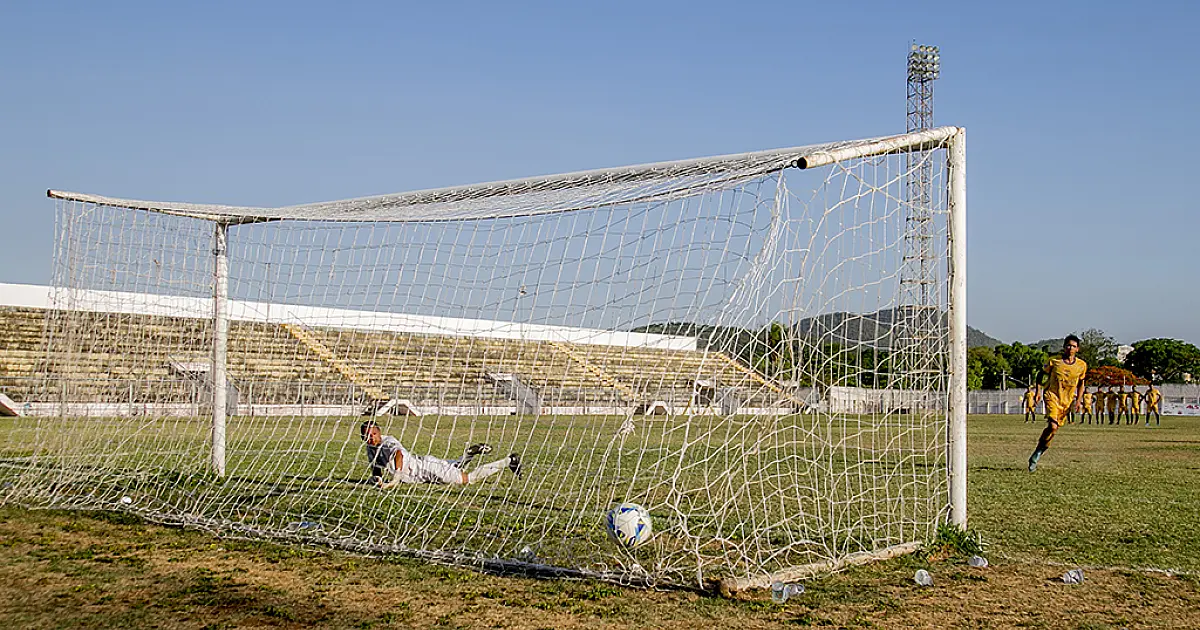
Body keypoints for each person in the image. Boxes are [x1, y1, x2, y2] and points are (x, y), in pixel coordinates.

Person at [360, 420, 522, 488]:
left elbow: (398, 454)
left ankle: (509, 461)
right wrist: (377, 479)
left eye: (373, 434)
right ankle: (468, 454)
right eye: (367, 435)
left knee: (468, 479)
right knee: (456, 467)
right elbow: (376, 468)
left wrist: (396, 478)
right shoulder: (370, 448)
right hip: (424, 468)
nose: (370, 438)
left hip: (425, 469)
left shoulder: (388, 442)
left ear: (379, 432)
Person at [1028, 335, 1088, 472]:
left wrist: (1079, 401)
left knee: (1053, 431)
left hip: (1066, 401)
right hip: (1052, 396)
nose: (1070, 348)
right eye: (1068, 345)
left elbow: (1081, 383)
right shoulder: (1054, 361)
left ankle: (1037, 453)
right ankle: (1036, 455)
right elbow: (1040, 374)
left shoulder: (1081, 365)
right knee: (1053, 426)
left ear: (1077, 349)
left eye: (1073, 346)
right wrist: (1038, 391)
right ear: (1064, 347)